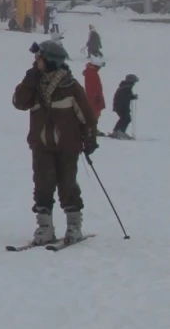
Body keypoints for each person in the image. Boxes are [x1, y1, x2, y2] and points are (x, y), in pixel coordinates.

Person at [12, 40, 98, 246]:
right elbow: (18, 103)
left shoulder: (70, 86)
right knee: (42, 184)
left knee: (67, 184)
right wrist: (28, 81)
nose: (36, 61)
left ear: (50, 61)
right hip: (41, 145)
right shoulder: (33, 85)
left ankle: (74, 225)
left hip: (68, 146)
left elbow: (87, 116)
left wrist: (90, 138)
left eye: (39, 57)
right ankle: (45, 227)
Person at [82, 58, 106, 136]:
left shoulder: (92, 72)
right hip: (94, 98)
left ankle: (92, 128)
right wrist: (96, 97)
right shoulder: (92, 73)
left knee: (95, 114)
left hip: (95, 97)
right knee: (94, 114)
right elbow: (92, 88)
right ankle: (91, 129)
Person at [111, 74, 139, 140]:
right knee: (126, 118)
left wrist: (132, 97)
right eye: (134, 81)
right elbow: (124, 97)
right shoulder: (126, 87)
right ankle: (120, 132)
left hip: (120, 106)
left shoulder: (124, 86)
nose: (134, 83)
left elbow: (126, 96)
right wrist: (132, 97)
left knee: (125, 118)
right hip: (122, 106)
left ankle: (116, 131)